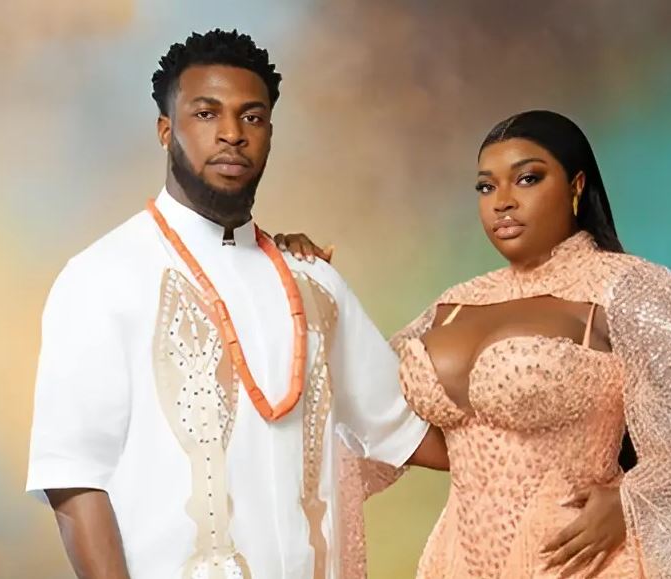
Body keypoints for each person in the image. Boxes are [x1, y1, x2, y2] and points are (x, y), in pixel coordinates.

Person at [285, 110, 671, 578]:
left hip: (579, 562)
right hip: (453, 562)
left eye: (527, 178)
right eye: (486, 187)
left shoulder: (621, 287)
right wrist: (303, 282)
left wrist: (631, 501)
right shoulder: (454, 304)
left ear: (576, 186)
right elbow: (372, 415)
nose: (503, 201)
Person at [26, 29, 446, 579]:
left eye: (252, 117)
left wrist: (551, 443)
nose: (232, 133)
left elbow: (403, 430)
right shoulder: (101, 277)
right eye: (206, 114)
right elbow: (74, 478)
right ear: (165, 130)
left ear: (269, 132)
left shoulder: (313, 281)